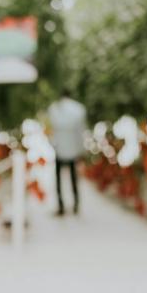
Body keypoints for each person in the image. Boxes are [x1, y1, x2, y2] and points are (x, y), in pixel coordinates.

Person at [47, 87, 87, 215]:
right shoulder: (79, 109)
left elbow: (52, 129)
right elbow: (81, 131)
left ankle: (61, 205)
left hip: (59, 147)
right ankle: (76, 203)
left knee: (58, 178)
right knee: (74, 177)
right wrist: (81, 148)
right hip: (73, 147)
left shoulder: (54, 108)